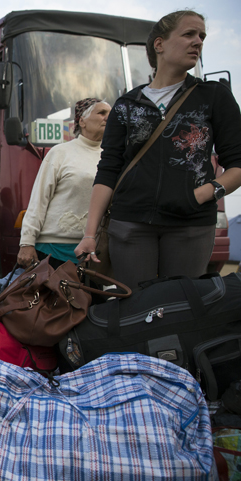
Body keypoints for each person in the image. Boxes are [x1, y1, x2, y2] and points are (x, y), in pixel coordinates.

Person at [75, 11, 241, 289]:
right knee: (135, 309)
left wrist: (198, 196)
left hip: (191, 224)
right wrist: (90, 233)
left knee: (181, 308)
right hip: (130, 223)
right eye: (189, 34)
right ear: (159, 44)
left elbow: (237, 166)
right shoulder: (127, 104)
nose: (198, 42)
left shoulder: (214, 96)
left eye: (202, 36)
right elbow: (108, 170)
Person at [18, 98, 112, 269]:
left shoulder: (112, 157)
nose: (108, 117)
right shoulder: (60, 152)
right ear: (81, 121)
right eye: (101, 113)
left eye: (111, 114)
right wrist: (27, 242)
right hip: (54, 248)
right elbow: (39, 200)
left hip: (97, 249)